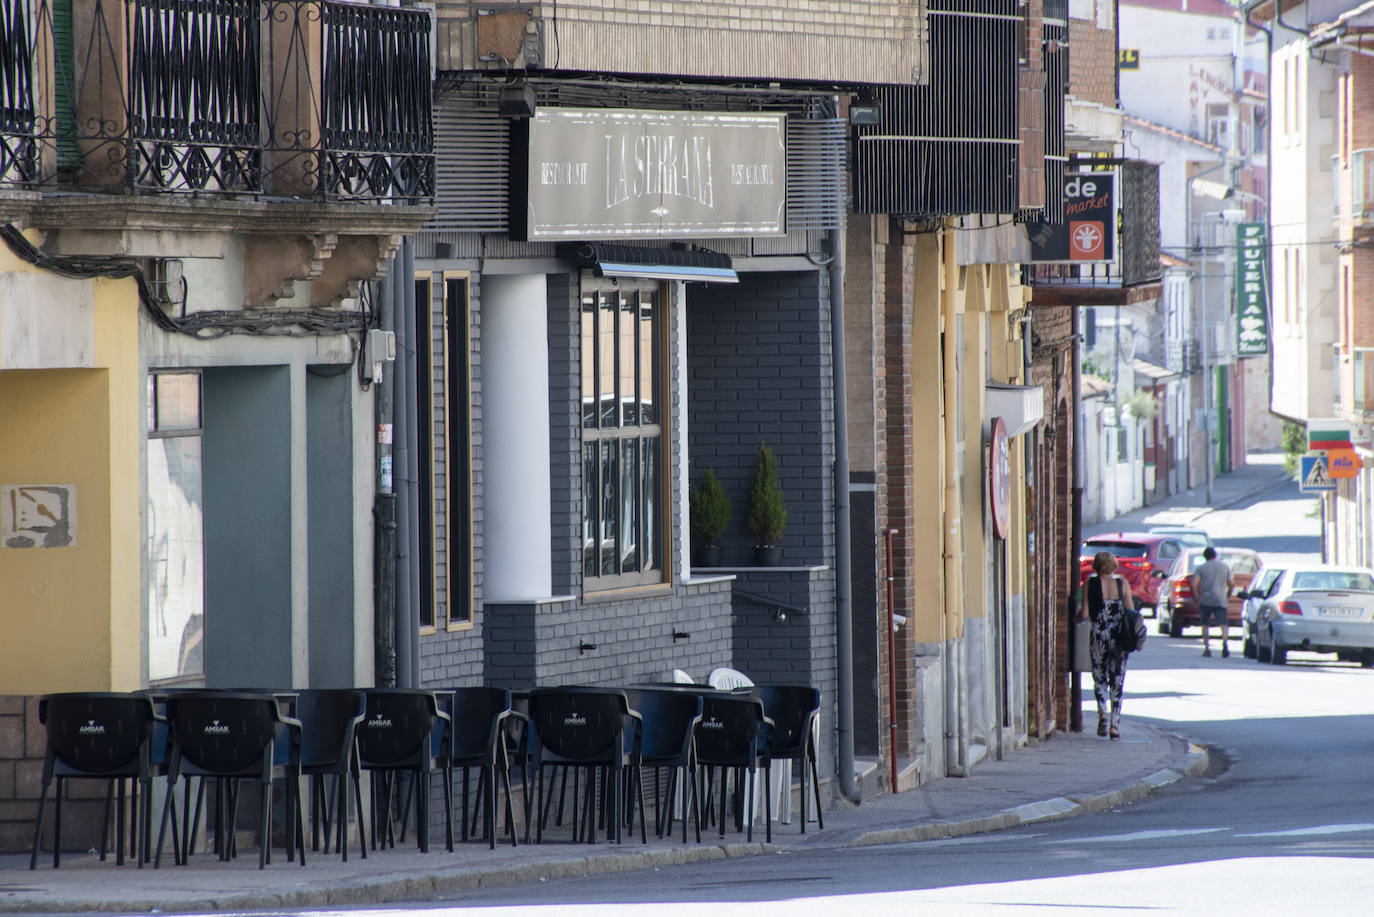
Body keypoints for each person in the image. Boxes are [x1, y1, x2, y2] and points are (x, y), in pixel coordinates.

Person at [1077, 551, 1136, 739]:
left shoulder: (1089, 584)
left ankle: (1102, 712)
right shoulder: (1122, 584)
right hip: (1119, 637)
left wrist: (1074, 618)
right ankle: (1114, 725)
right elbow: (1131, 612)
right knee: (1117, 679)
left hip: (1099, 636)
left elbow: (1084, 614)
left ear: (1096, 565)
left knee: (1099, 676)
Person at [1190, 546, 1234, 658]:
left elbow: (1194, 583)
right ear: (1215, 555)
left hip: (1206, 600)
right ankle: (1224, 642)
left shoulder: (1201, 568)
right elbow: (1232, 584)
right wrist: (1228, 595)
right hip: (1220, 599)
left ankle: (1207, 648)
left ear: (1204, 557)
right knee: (1223, 624)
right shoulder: (1224, 567)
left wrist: (1195, 597)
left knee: (1205, 624)